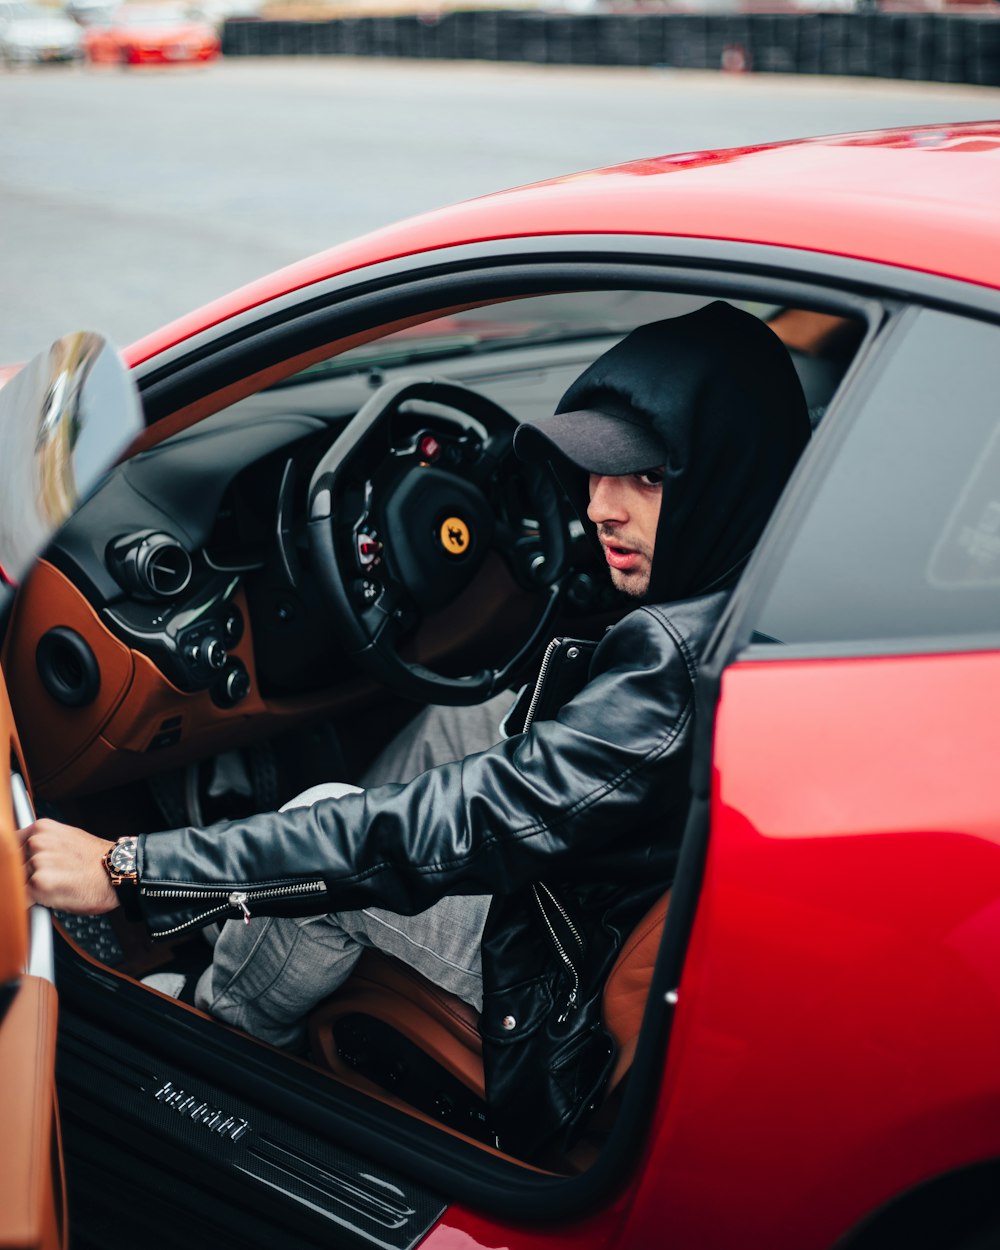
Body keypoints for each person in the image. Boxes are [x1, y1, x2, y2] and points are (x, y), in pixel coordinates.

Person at [19, 301, 811, 1160]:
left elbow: (451, 825)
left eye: (646, 479)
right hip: (618, 896)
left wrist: (135, 869)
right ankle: (258, 915)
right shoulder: (768, 579)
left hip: (563, 984)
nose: (600, 510)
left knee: (331, 819)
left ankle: (222, 1021)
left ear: (724, 477)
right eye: (595, 471)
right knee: (462, 715)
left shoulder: (672, 662)